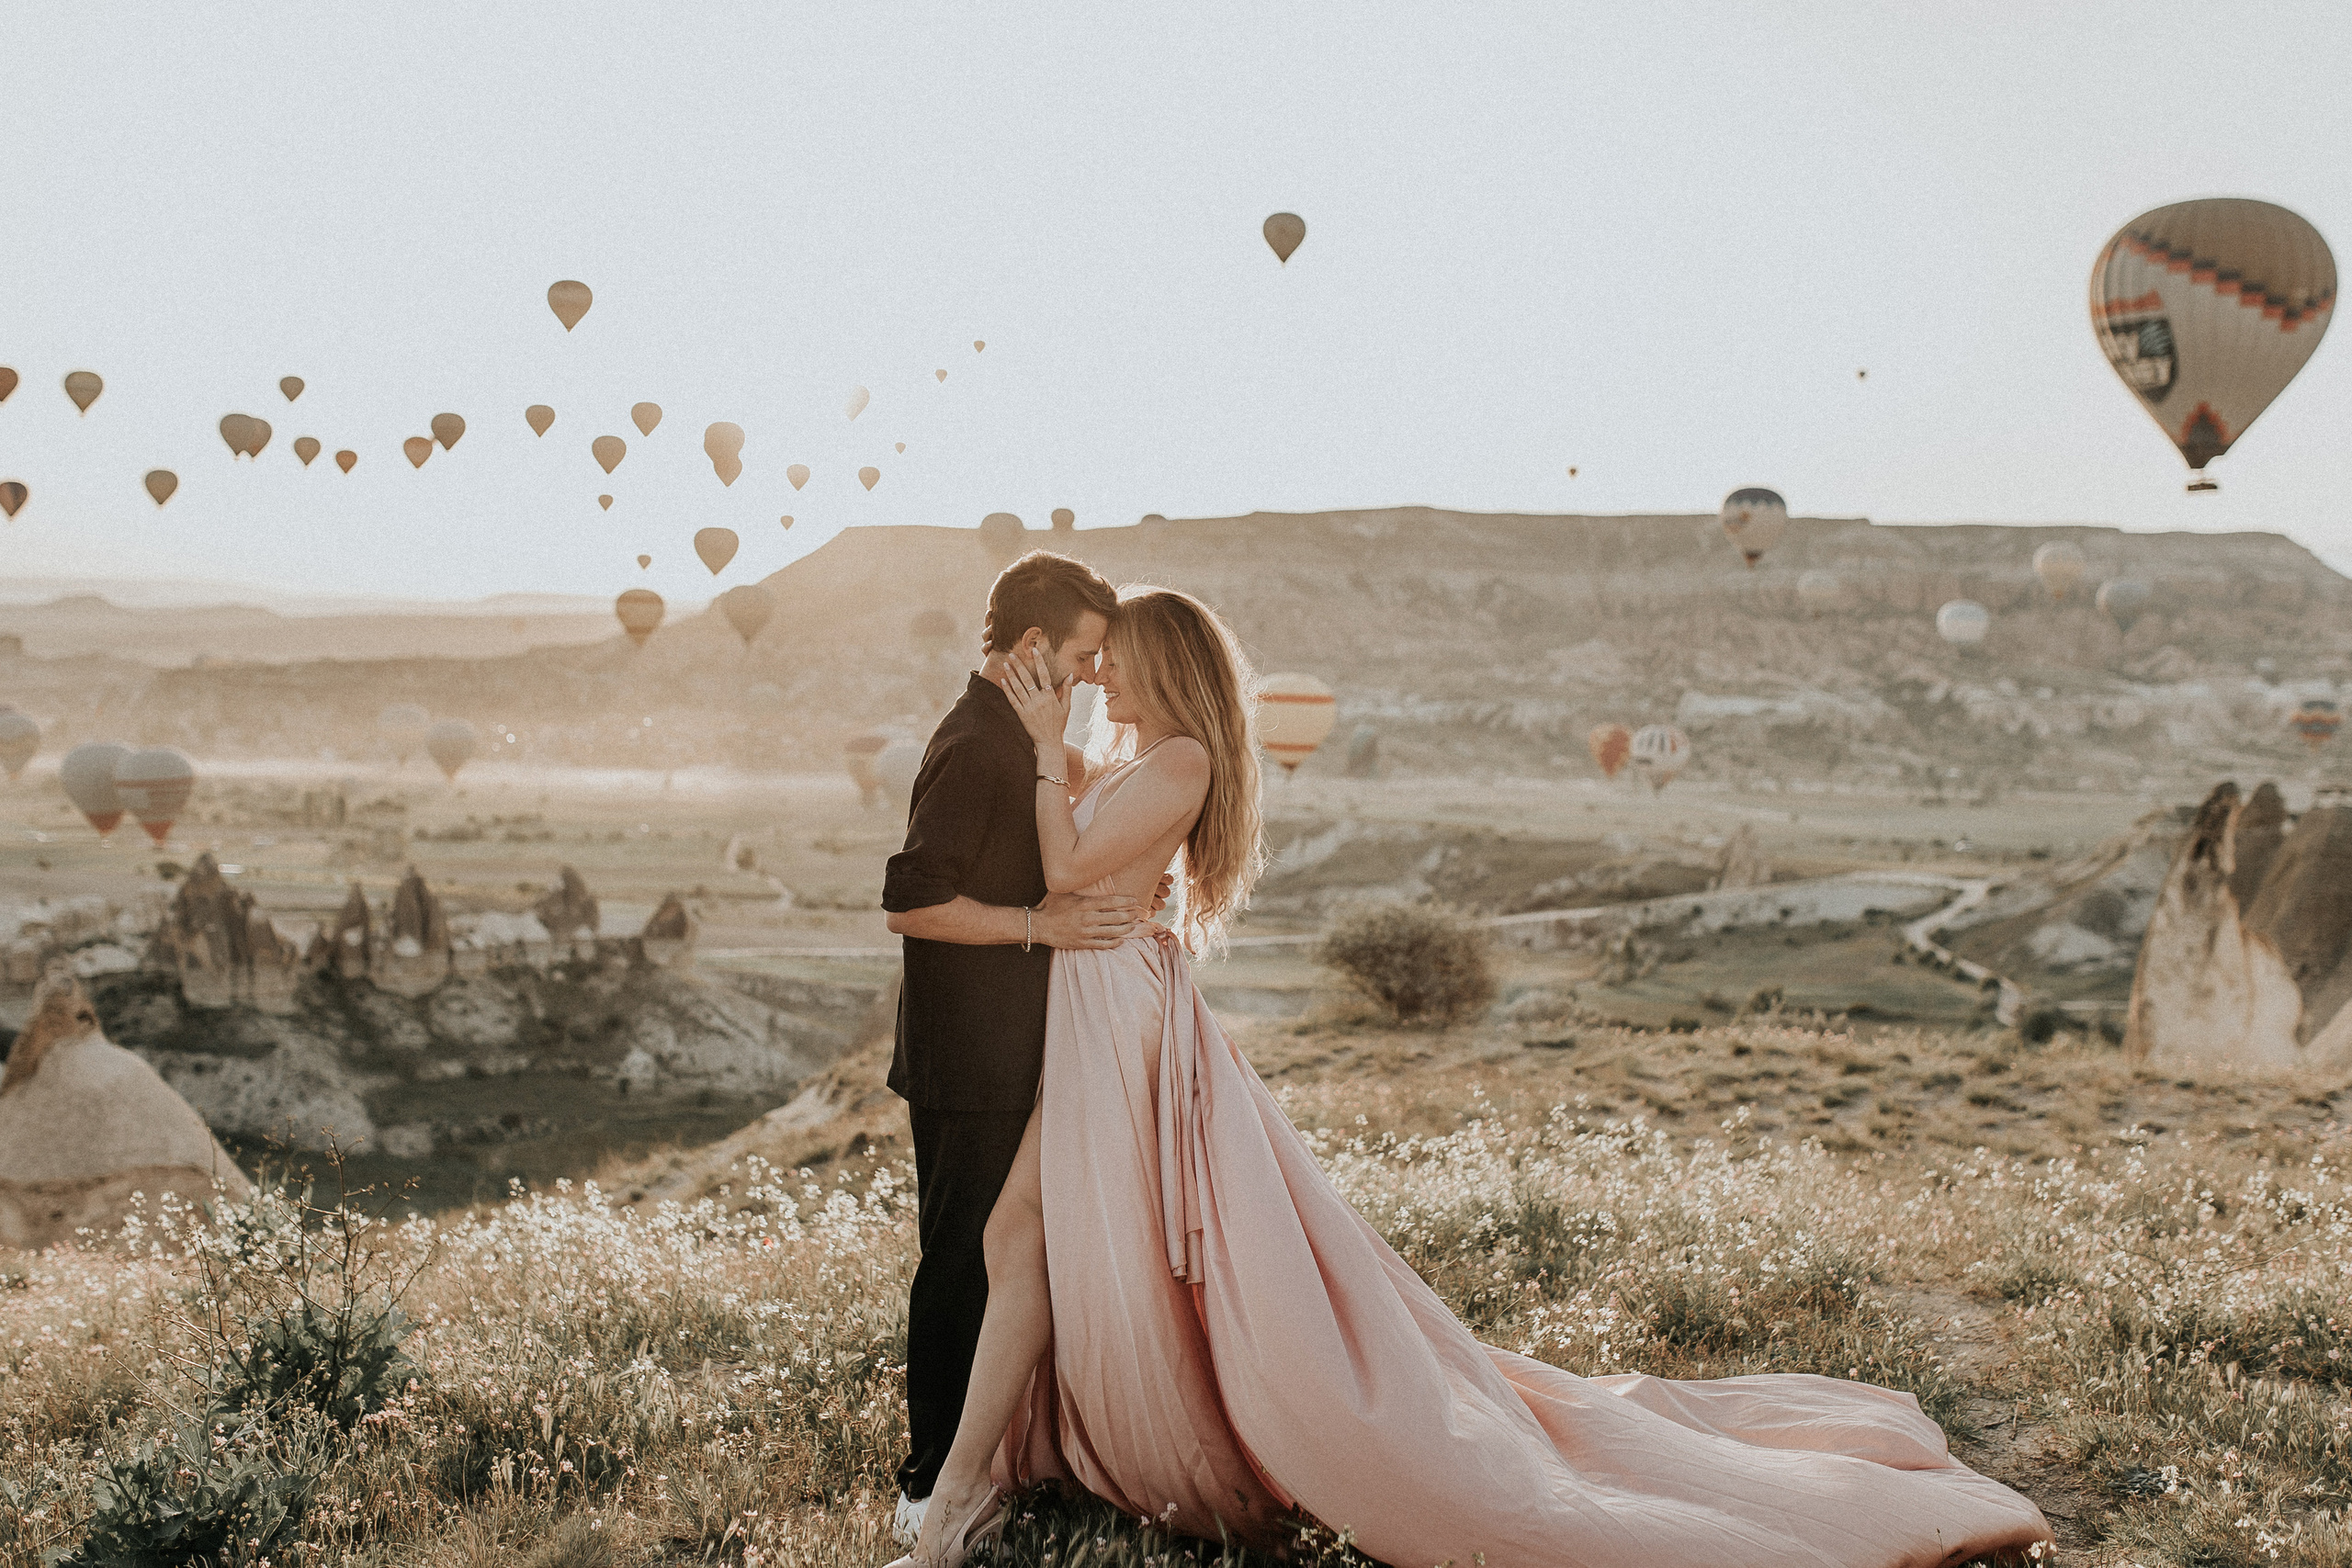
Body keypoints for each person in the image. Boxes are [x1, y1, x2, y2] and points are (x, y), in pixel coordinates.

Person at [894, 585, 2054, 1568]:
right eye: (1085, 663)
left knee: (1033, 1230)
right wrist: (1039, 735)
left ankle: (959, 1500)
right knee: (1023, 1233)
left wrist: (1048, 751)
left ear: (1160, 664)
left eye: (1113, 662)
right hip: (1097, 1008)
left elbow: (1067, 860)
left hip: (1124, 1015)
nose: (1095, 678)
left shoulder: (1184, 757)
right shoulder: (1134, 753)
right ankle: (966, 1488)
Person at [879, 550, 1165, 1548]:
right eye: (1086, 655)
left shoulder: (1018, 735)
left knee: (1012, 1256)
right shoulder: (975, 742)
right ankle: (926, 1488)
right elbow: (910, 901)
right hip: (971, 1055)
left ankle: (1002, 1466)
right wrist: (1039, 930)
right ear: (1035, 648)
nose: (1094, 675)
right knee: (962, 1260)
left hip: (1019, 1044)